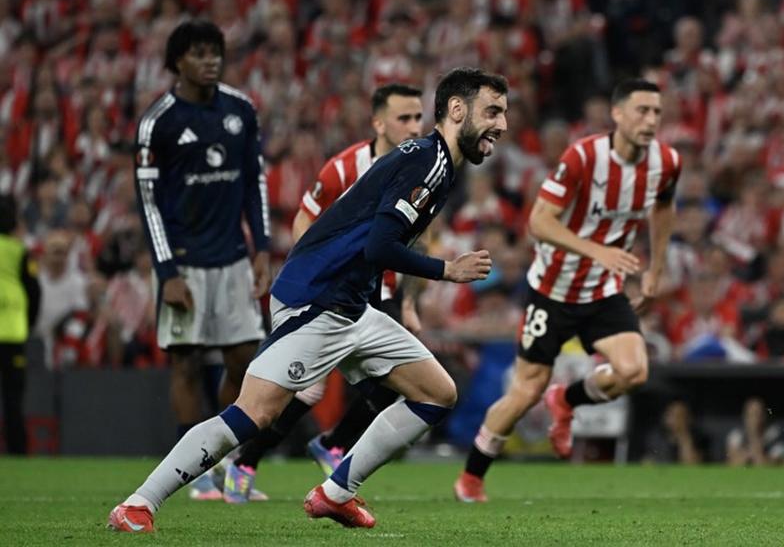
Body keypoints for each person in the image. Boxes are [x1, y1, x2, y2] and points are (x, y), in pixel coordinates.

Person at [108, 67, 508, 532]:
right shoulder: (428, 161)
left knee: (437, 394)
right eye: (493, 111)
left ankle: (336, 494)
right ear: (458, 110)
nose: (501, 124)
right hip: (318, 299)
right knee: (254, 412)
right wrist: (447, 270)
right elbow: (379, 246)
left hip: (350, 303)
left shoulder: (433, 161)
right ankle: (139, 503)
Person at [454, 78, 680, 502]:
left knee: (635, 370)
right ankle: (471, 477)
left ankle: (567, 398)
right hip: (552, 291)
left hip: (601, 291)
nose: (650, 120)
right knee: (525, 391)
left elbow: (664, 207)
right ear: (617, 115)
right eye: (641, 111)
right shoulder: (584, 157)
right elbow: (538, 222)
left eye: (656, 112)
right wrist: (599, 250)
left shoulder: (665, 162)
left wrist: (655, 271)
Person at [222, 83, 426, 503]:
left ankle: (332, 444)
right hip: (333, 290)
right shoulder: (343, 168)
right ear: (378, 122)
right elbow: (304, 222)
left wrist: (408, 300)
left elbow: (417, 238)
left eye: (418, 117)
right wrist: (321, 274)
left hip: (381, 289)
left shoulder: (423, 166)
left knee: (401, 380)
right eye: (404, 118)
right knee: (304, 389)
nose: (413, 126)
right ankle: (244, 462)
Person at [132, 21, 271, 499]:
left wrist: (263, 248)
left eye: (215, 53)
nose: (210, 61)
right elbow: (148, 202)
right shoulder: (159, 121)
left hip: (234, 258)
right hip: (185, 263)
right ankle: (195, 476)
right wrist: (167, 271)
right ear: (177, 62)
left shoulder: (240, 109)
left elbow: (256, 183)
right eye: (198, 53)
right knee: (186, 367)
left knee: (244, 364)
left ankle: (229, 465)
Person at [0, 194, 40, 454]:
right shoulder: (20, 251)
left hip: (13, 330)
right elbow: (34, 290)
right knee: (13, 399)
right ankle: (18, 451)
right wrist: (29, 323)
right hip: (13, 332)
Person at [726, 397, 784, 466]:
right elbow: (731, 461)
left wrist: (757, 452)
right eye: (751, 415)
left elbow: (775, 463)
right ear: (745, 416)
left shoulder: (775, 435)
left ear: (764, 416)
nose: (755, 419)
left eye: (758, 414)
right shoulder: (736, 434)